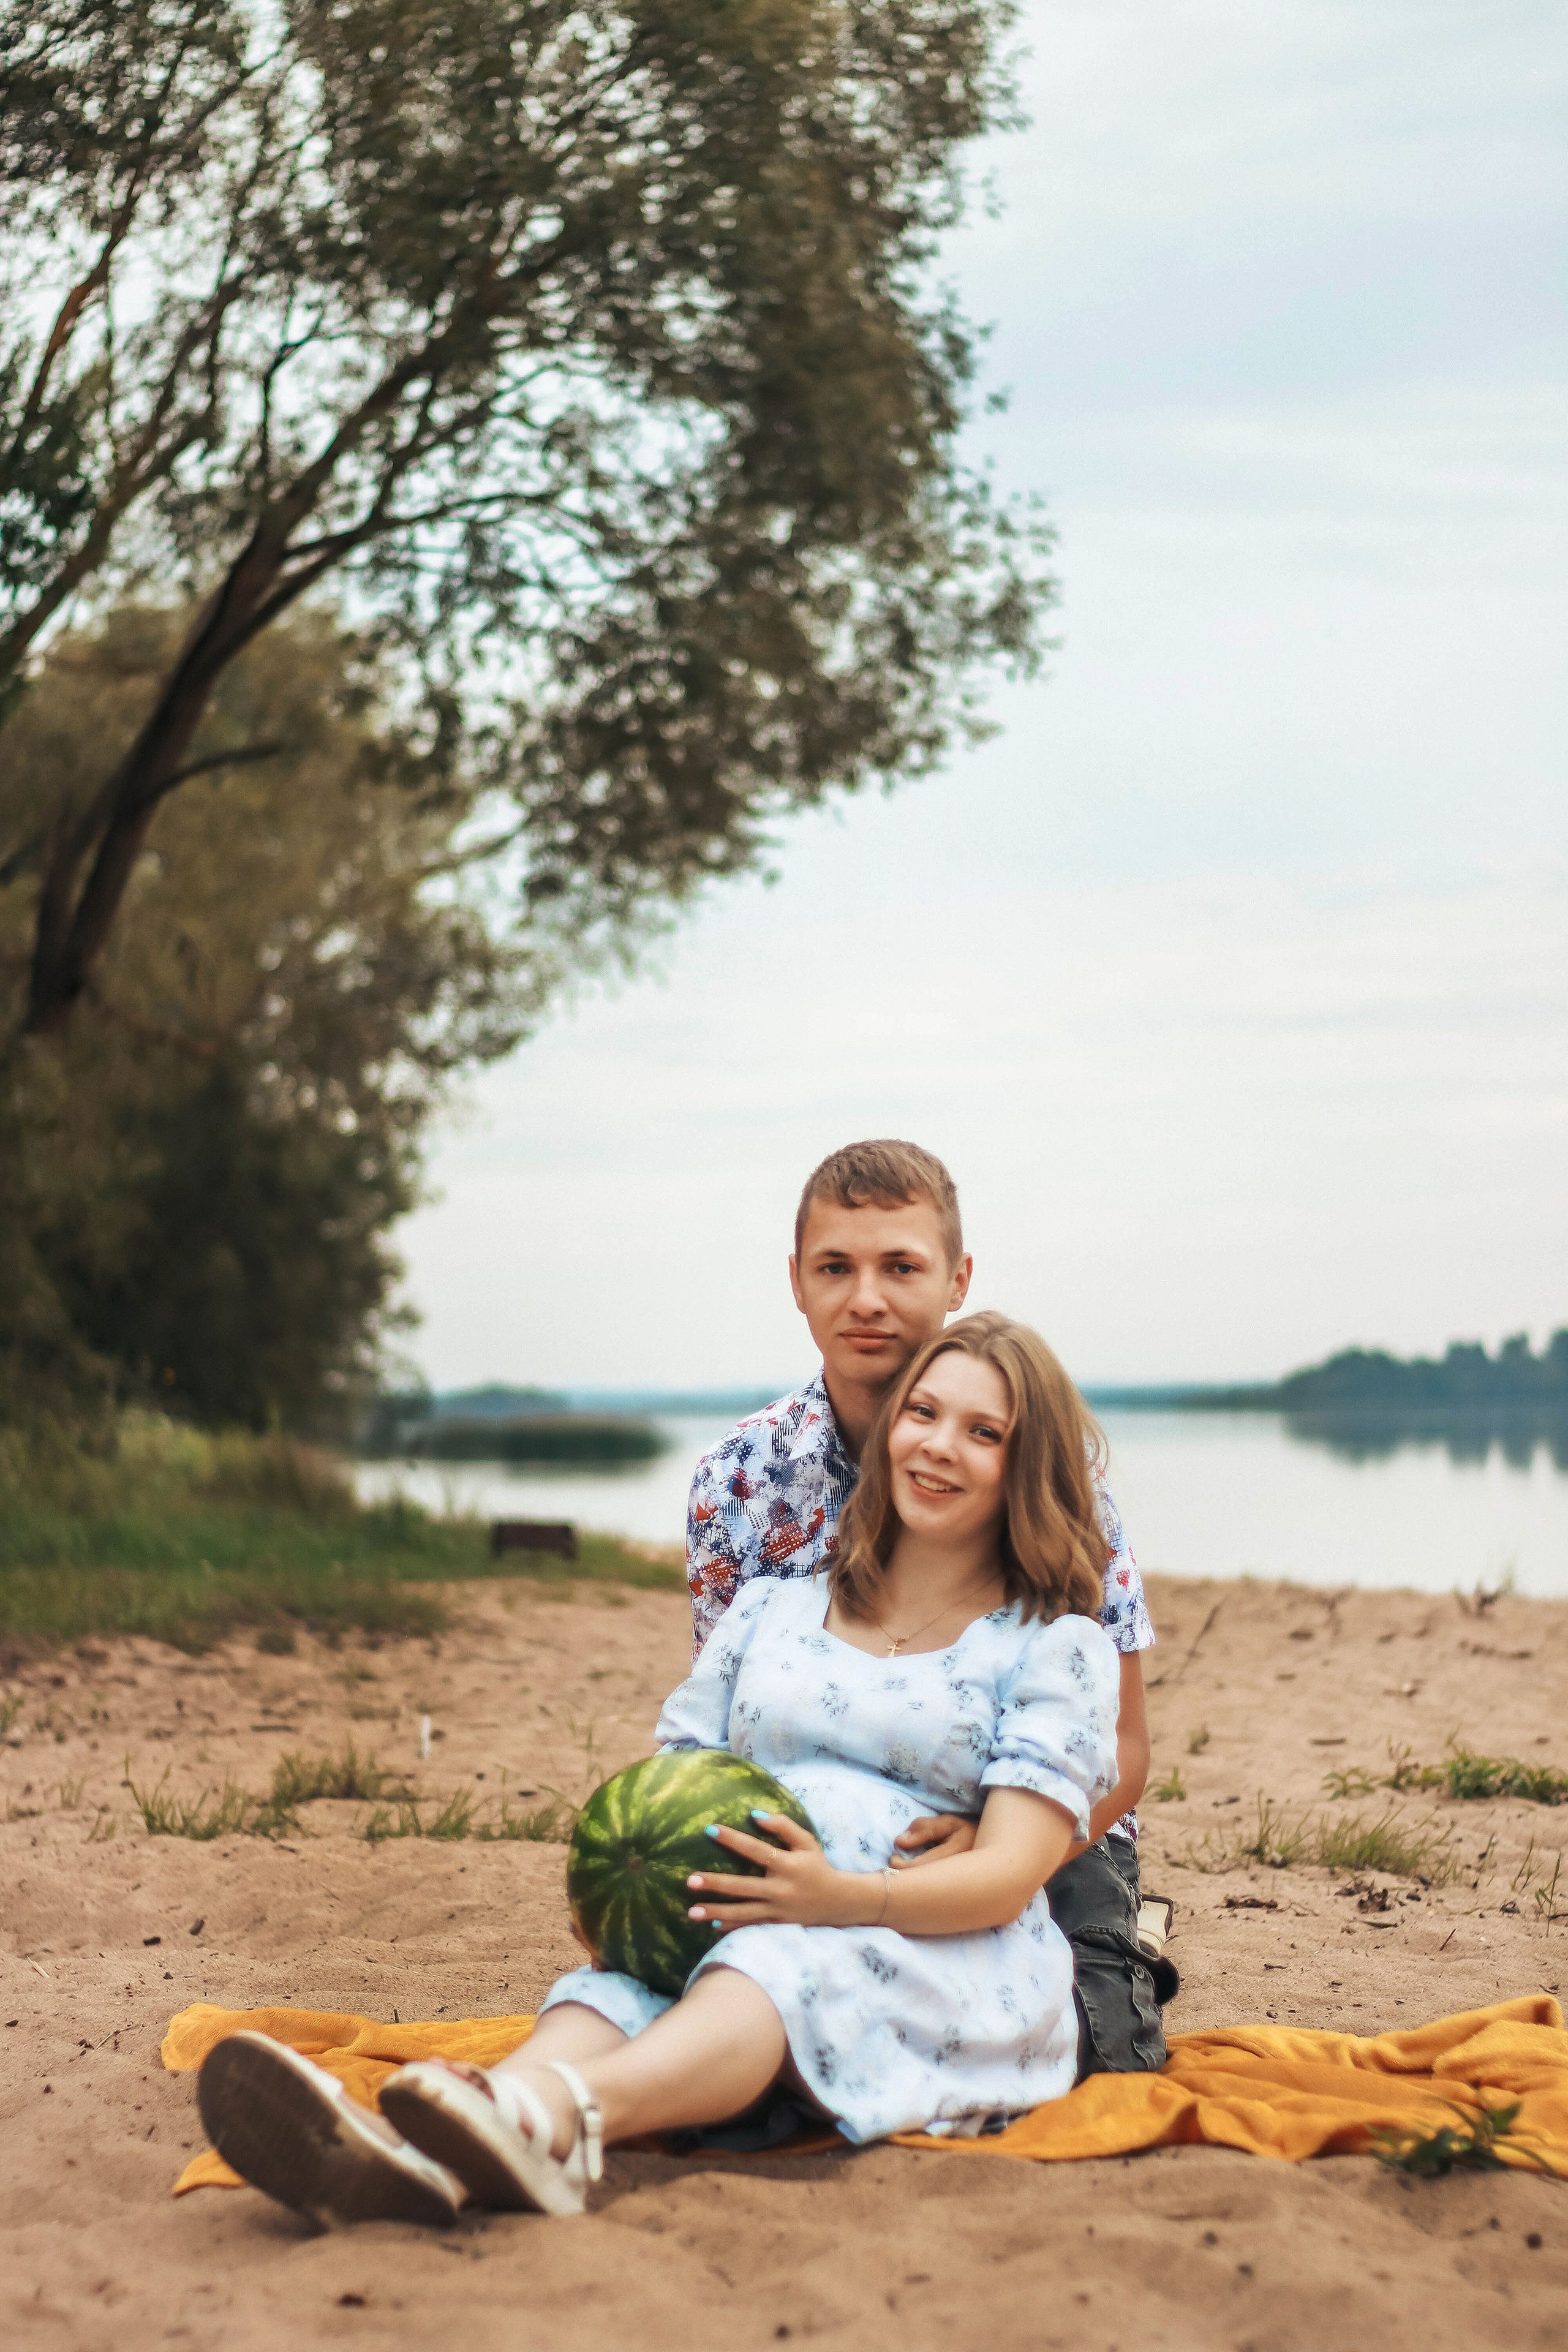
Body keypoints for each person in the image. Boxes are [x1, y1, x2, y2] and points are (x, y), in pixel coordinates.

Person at [197, 1314, 1122, 2226]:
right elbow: (684, 1764)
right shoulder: (775, 1608)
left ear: (1024, 1470)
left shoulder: (1052, 1647)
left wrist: (836, 1895)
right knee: (618, 1987)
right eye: (923, 1413)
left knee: (770, 1964)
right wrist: (625, 1892)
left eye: (984, 1431)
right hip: (734, 1904)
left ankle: (553, 2118)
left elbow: (1007, 1875)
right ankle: (444, 2133)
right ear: (890, 1431)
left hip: (931, 1947)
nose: (939, 1446)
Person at [686, 1139, 1169, 2075]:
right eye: (836, 1267)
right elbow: (727, 1729)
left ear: (958, 1279)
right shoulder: (737, 1482)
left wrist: (1003, 1839)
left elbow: (1128, 1751)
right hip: (821, 1816)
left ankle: (1123, 1944)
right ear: (797, 1281)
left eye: (901, 1266)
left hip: (1040, 1829)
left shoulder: (1052, 1474)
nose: (866, 1297)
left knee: (1101, 2052)